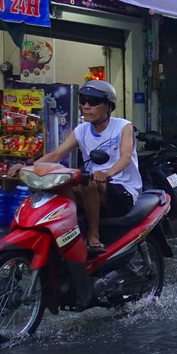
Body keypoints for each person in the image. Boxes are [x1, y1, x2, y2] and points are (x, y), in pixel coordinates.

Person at [30, 79, 142, 257]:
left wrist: (107, 173)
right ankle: (73, 234)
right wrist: (29, 169)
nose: (86, 106)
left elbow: (126, 157)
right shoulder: (81, 130)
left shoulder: (123, 126)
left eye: (93, 102)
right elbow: (56, 155)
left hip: (122, 189)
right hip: (94, 185)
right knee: (63, 185)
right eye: (83, 101)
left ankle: (93, 236)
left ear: (108, 106)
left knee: (88, 183)